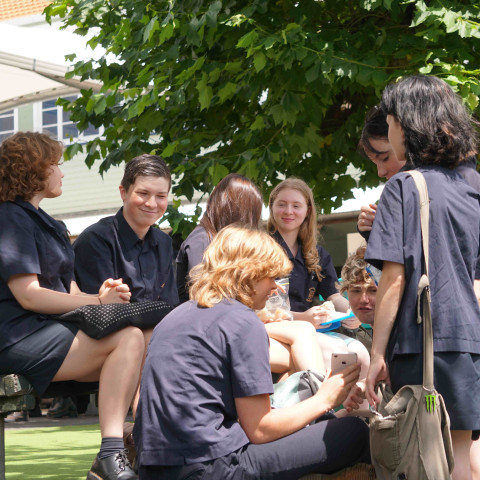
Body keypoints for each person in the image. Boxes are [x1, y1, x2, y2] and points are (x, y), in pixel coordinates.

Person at [134, 225, 370, 479]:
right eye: (271, 278)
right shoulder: (242, 321)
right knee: (354, 431)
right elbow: (260, 429)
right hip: (212, 467)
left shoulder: (172, 318)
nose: (277, 289)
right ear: (248, 274)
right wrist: (325, 398)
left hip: (153, 467)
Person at [0, 132, 143, 480]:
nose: (61, 173)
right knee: (128, 337)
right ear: (34, 170)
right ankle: (112, 453)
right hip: (18, 337)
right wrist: (96, 302)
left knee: (146, 335)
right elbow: (29, 294)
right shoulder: (10, 218)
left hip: (47, 330)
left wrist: (100, 294)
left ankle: (146, 443)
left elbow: (69, 289)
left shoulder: (49, 223)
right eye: (55, 165)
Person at [364, 75, 480, 480]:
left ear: (408, 124)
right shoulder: (471, 187)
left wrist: (377, 355)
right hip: (467, 343)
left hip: (420, 343)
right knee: (459, 458)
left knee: (421, 459)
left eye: (392, 121)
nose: (390, 131)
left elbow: (394, 281)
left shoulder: (403, 186)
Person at [177, 173, 326, 377]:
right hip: (213, 330)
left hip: (231, 323)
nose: (254, 222)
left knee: (299, 344)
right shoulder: (202, 241)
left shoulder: (221, 240)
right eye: (253, 213)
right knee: (301, 340)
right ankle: (319, 401)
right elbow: (208, 298)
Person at [267, 177, 370, 377]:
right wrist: (304, 319)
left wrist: (351, 311)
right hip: (280, 330)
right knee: (335, 353)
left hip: (314, 329)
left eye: (296, 205)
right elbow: (262, 311)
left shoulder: (318, 254)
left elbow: (333, 295)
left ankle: (358, 409)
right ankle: (322, 407)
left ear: (308, 211)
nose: (289, 211)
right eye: (282, 204)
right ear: (271, 208)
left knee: (362, 354)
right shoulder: (261, 249)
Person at [357, 105, 480, 241]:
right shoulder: (408, 189)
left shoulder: (461, 183)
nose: (380, 172)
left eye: (385, 158)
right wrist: (379, 229)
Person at [74, 154, 178, 306]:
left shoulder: (164, 242)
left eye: (161, 196)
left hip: (158, 328)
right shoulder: (96, 240)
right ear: (124, 192)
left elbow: (170, 305)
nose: (152, 204)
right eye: (143, 193)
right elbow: (104, 313)